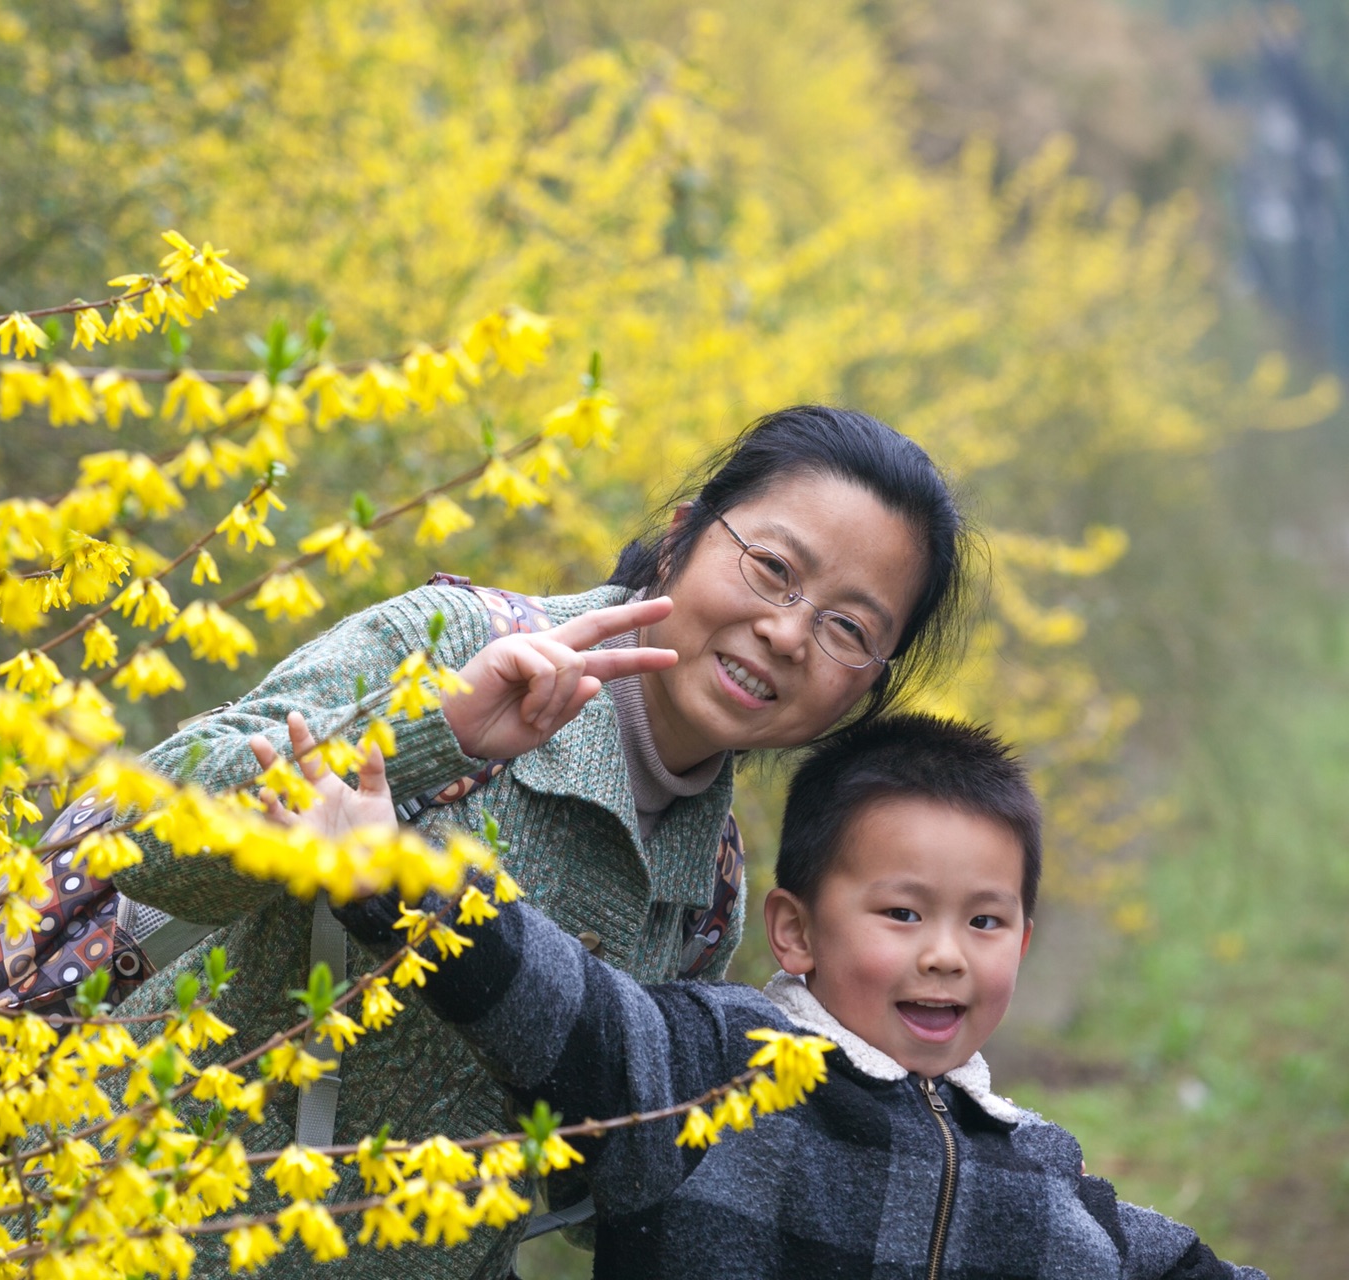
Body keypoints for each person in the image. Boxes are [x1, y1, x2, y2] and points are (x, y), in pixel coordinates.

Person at [109, 405, 971, 1278]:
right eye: (773, 568)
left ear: (865, 692)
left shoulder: (707, 899)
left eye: (849, 630)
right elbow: (139, 834)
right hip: (113, 1228)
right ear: (681, 539)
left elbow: (602, 1180)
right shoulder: (450, 643)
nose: (788, 633)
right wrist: (433, 726)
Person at [307, 713, 1267, 1280]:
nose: (946, 957)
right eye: (900, 913)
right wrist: (401, 886)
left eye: (985, 923)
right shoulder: (712, 1072)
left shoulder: (1038, 1170)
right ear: (795, 930)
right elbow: (562, 1004)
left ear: (1023, 938)